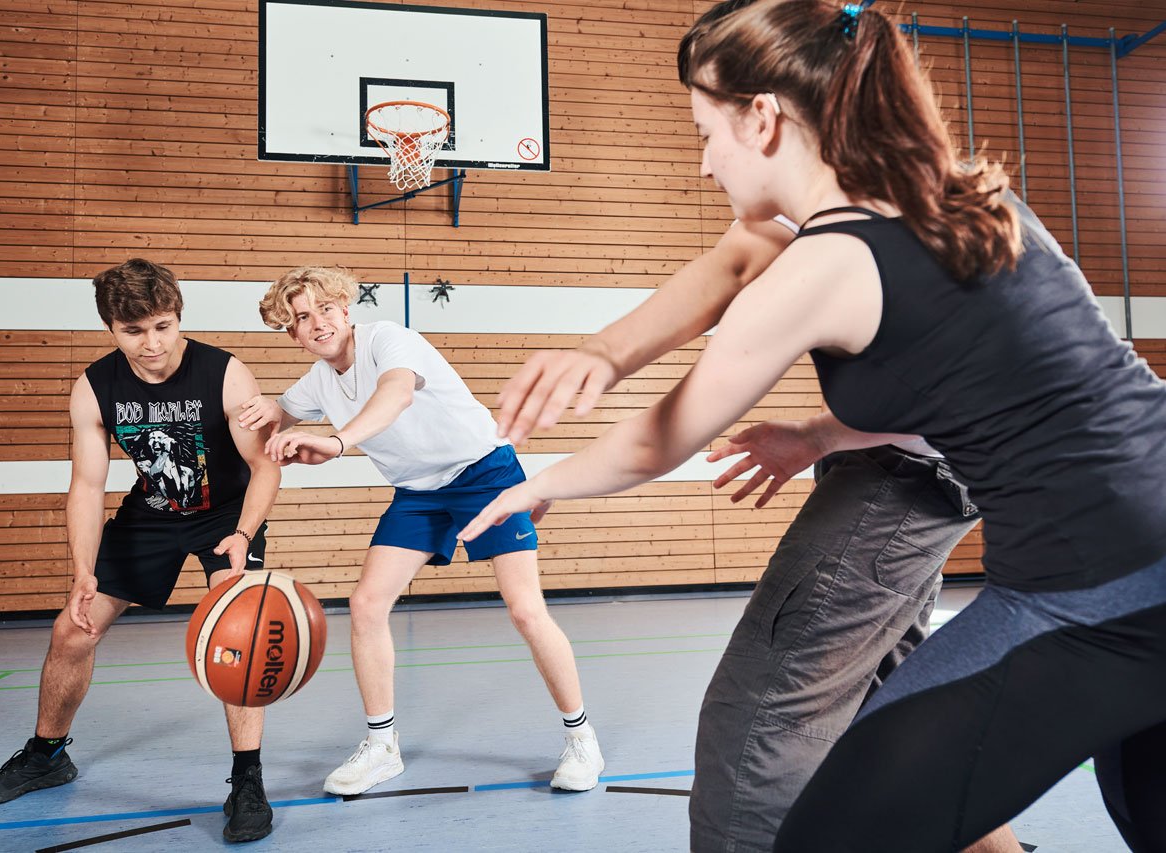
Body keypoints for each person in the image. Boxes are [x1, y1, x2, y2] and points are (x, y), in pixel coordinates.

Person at [462, 1, 1166, 850]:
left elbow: (658, 438)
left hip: (1096, 588)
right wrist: (818, 436)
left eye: (704, 133)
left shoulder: (825, 262)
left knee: (829, 831)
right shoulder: (960, 198)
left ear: (762, 118)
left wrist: (536, 482)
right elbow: (993, 390)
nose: (703, 164)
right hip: (1122, 561)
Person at [238, 265, 604, 795]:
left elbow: (396, 396)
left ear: (345, 308)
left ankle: (581, 738)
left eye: (325, 308)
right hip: (418, 492)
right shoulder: (318, 380)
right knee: (366, 605)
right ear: (291, 333)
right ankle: (382, 746)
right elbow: (281, 415)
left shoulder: (389, 340)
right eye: (301, 318)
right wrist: (271, 416)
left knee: (526, 610)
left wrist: (335, 443)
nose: (317, 323)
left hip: (485, 473)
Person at [0, 259, 283, 844]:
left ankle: (247, 778)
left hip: (226, 516)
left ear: (178, 317)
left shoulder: (225, 374)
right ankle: (47, 755)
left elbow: (264, 466)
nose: (152, 343)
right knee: (73, 630)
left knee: (237, 633)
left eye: (163, 326)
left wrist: (243, 534)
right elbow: (87, 486)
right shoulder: (95, 386)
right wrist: (83, 571)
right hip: (152, 513)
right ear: (111, 328)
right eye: (134, 331)